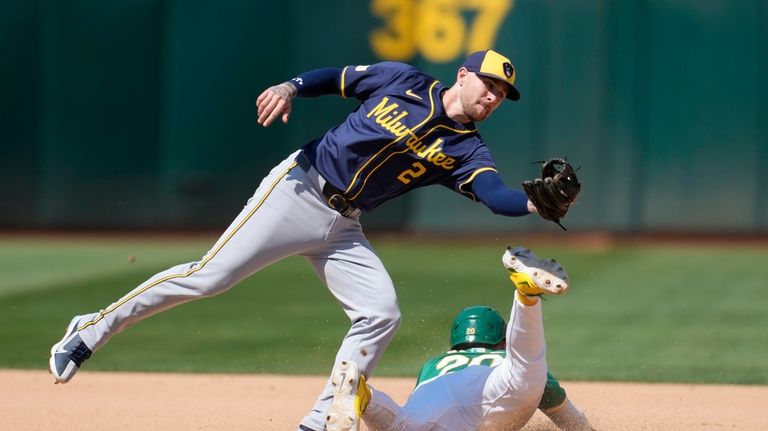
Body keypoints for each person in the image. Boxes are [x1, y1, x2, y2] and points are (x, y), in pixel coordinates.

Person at [49, 50, 556, 431]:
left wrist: (537, 204)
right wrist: (292, 87)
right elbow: (335, 80)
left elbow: (495, 194)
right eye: (488, 84)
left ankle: (321, 419)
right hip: (298, 190)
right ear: (464, 75)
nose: (492, 97)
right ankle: (89, 330)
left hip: (344, 227)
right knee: (209, 277)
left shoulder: (467, 148)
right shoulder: (404, 80)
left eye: (501, 95)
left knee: (381, 313)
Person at [325, 247, 593, 431]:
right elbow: (563, 412)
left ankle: (363, 396)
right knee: (526, 365)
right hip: (497, 387)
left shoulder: (434, 364)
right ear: (500, 340)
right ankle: (526, 296)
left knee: (404, 425)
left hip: (437, 396)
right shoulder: (502, 356)